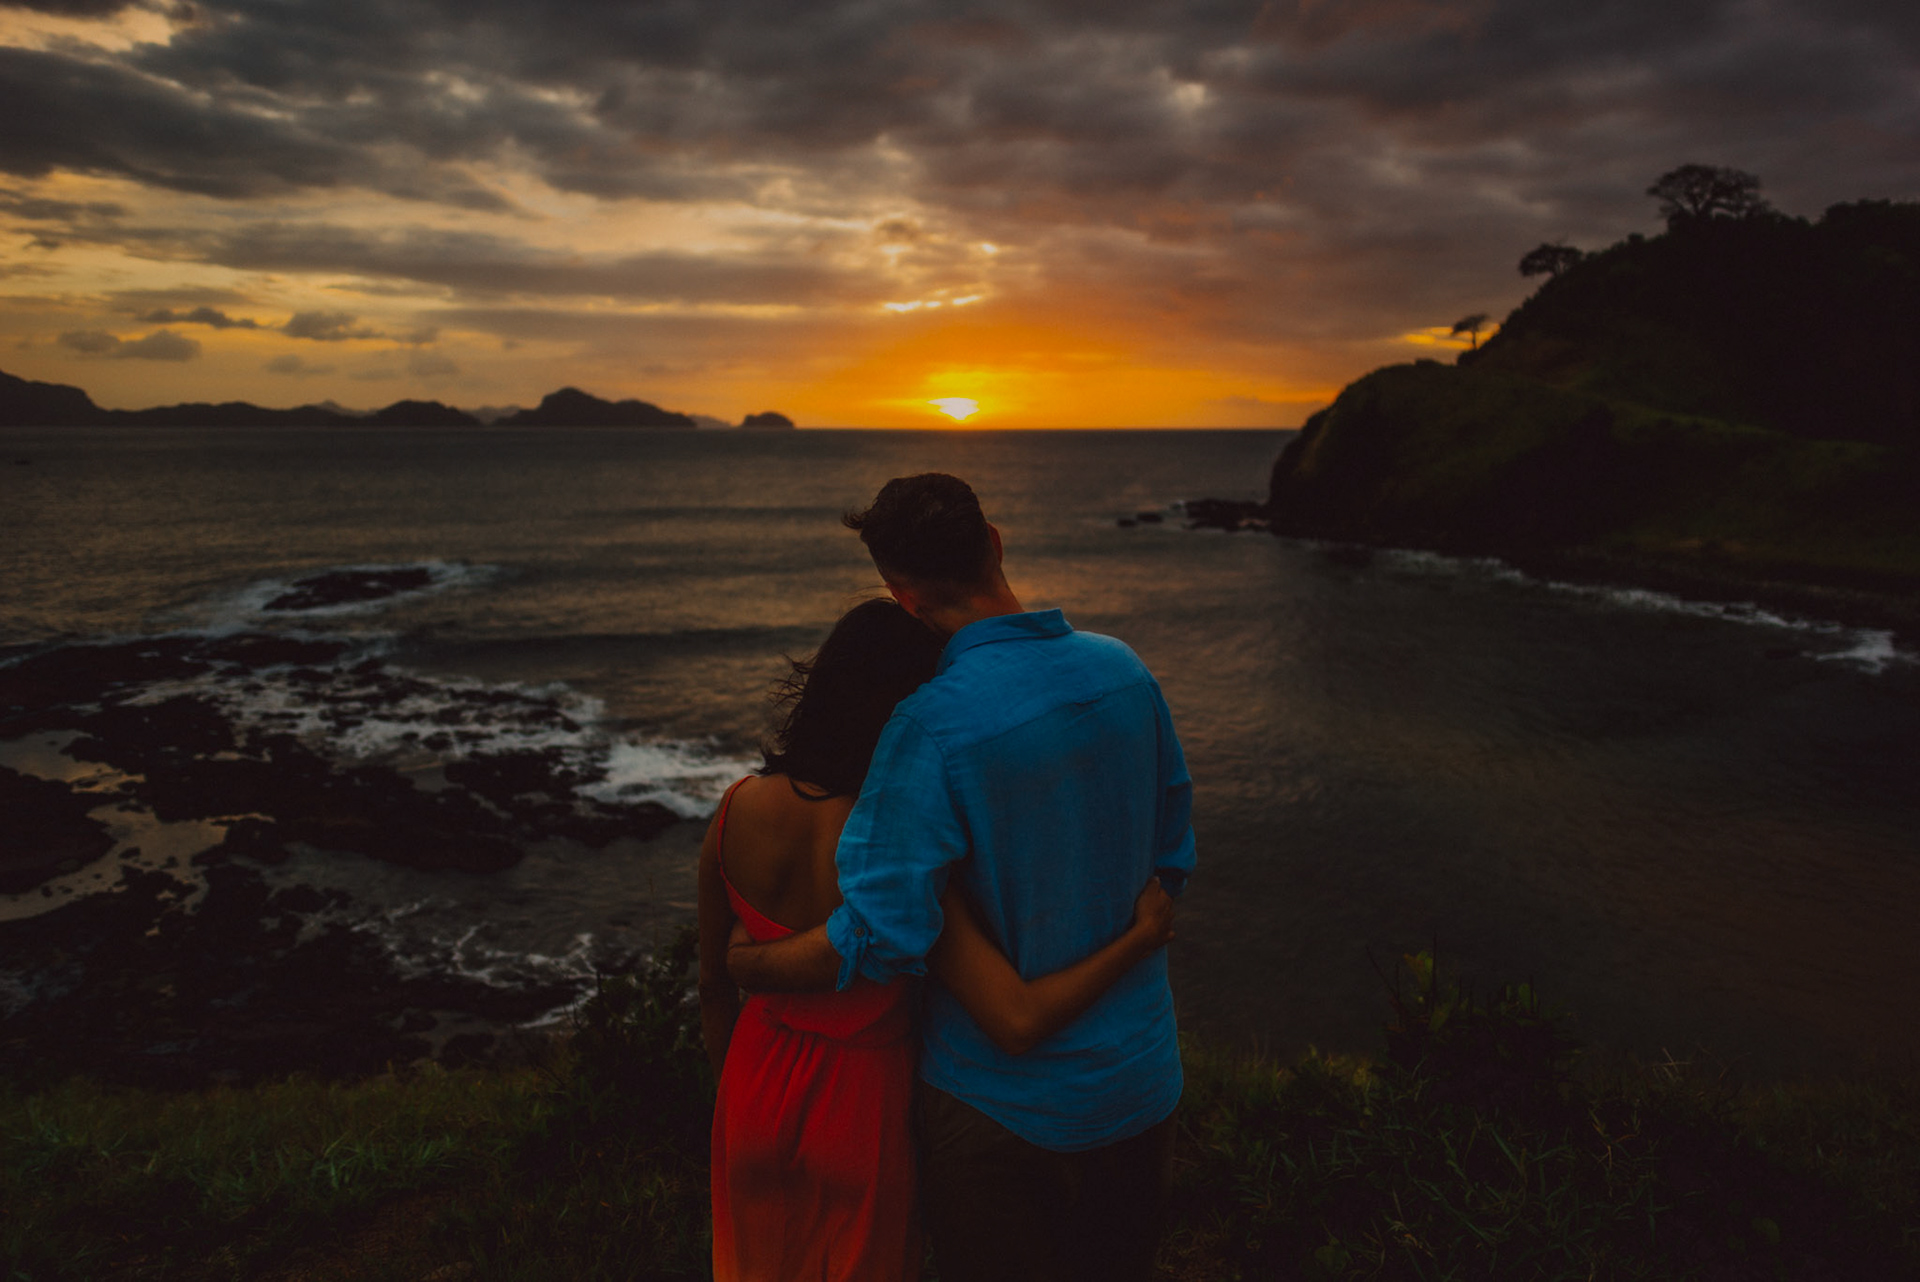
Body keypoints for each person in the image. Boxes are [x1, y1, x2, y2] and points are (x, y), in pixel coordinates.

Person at [729, 474, 1195, 1282]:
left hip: (999, 1113)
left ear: (901, 597)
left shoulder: (928, 728)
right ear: (996, 544)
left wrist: (750, 963)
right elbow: (1171, 860)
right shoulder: (1126, 672)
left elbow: (879, 933)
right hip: (1138, 1083)